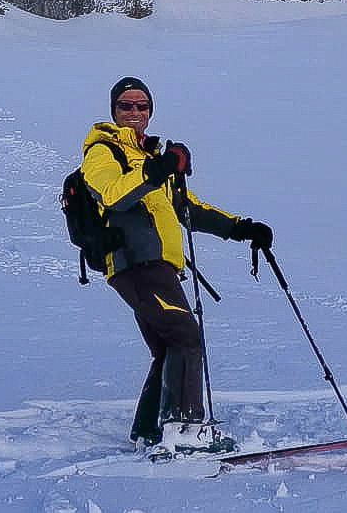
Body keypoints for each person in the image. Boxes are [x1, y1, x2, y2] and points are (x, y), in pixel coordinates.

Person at [80, 76, 274, 453]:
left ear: (150, 112)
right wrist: (159, 168)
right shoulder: (103, 153)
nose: (134, 112)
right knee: (185, 335)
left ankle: (150, 431)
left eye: (142, 106)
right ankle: (183, 432)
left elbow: (189, 208)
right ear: (113, 111)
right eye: (126, 105)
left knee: (170, 344)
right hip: (135, 263)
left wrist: (241, 228)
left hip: (160, 266)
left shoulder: (151, 158)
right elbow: (113, 195)